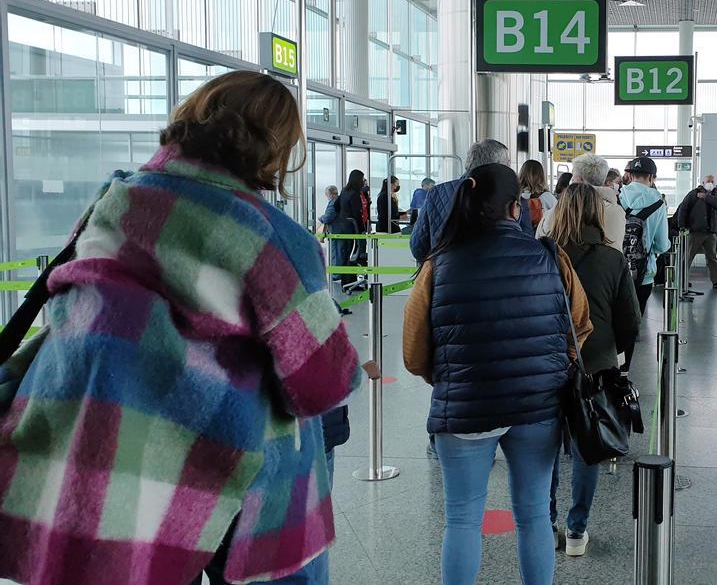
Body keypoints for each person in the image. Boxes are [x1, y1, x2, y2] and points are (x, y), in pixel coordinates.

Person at [0, 71, 362, 585]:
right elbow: (321, 382)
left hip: (102, 465)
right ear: (276, 150)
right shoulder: (270, 238)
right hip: (236, 479)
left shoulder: (114, 202)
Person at [403, 163, 593, 585]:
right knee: (533, 517)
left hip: (464, 409)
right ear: (516, 208)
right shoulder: (550, 256)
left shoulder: (439, 263)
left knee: (462, 520)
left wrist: (455, 374)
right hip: (538, 408)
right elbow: (580, 324)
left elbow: (413, 354)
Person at [546, 183, 640, 557]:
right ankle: (576, 531)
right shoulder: (612, 259)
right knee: (587, 445)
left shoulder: (543, 254)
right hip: (596, 364)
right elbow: (630, 322)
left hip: (549, 362)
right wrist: (609, 353)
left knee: (546, 448)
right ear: (597, 214)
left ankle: (546, 521)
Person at [410, 139, 531, 262]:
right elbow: (527, 247)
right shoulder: (513, 197)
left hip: (446, 276)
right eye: (507, 162)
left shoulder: (436, 193)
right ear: (498, 166)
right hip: (501, 275)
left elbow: (417, 248)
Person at [538, 154, 626, 247]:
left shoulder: (557, 211)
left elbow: (540, 243)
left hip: (563, 261)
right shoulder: (618, 212)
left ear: (578, 180)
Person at [620, 157, 671, 316]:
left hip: (616, 269)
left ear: (630, 176)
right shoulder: (658, 203)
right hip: (644, 271)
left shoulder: (618, 198)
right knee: (635, 318)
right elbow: (662, 245)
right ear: (651, 177)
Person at [674, 174, 717, 291]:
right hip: (696, 231)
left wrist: (706, 197)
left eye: (712, 181)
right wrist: (681, 226)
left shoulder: (716, 193)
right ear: (703, 183)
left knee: (712, 258)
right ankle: (681, 281)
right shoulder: (694, 193)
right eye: (708, 181)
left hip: (710, 232)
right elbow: (683, 209)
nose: (710, 183)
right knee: (688, 257)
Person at [332, 169, 369, 289]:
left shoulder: (344, 191)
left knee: (346, 254)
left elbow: (336, 206)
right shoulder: (354, 194)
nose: (363, 182)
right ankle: (350, 283)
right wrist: (362, 229)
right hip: (352, 229)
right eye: (362, 179)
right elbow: (357, 214)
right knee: (352, 254)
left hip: (343, 227)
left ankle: (346, 282)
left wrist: (343, 217)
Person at [520, 159, 558, 227]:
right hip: (541, 236)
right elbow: (559, 216)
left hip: (519, 235)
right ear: (541, 176)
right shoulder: (547, 197)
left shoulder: (516, 195)